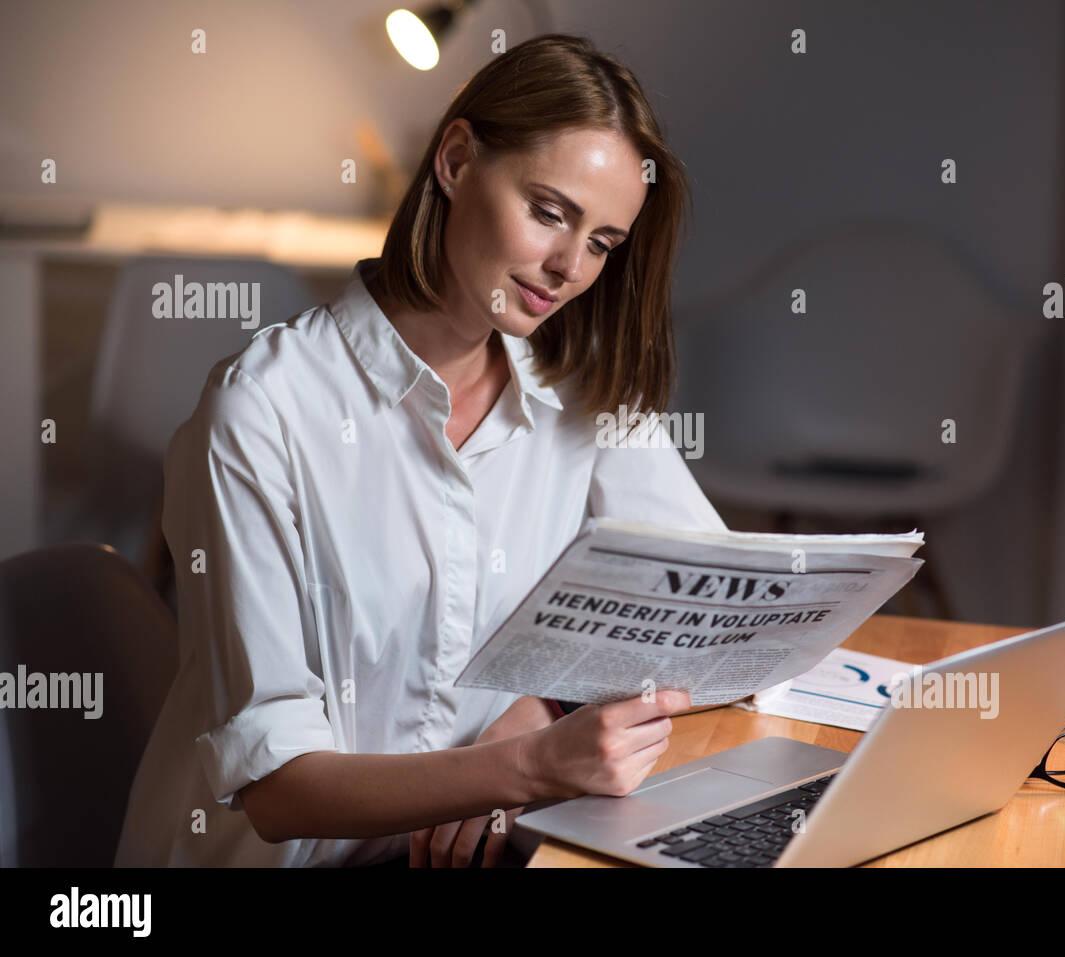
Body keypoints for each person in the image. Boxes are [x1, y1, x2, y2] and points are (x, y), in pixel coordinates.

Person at [114, 33, 724, 868]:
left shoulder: (579, 389)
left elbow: (718, 615)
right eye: (548, 211)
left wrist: (544, 703)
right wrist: (520, 767)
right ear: (457, 158)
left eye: (603, 243)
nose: (567, 267)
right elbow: (279, 789)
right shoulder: (261, 412)